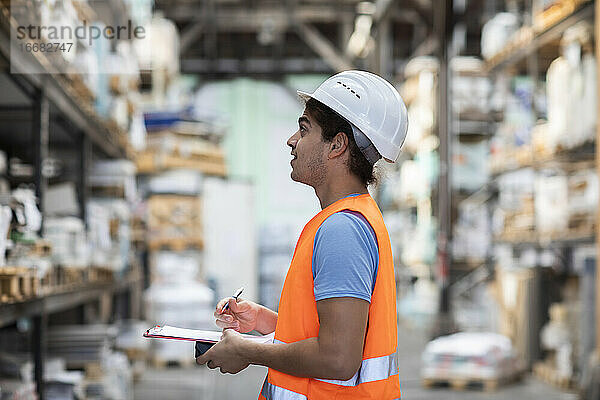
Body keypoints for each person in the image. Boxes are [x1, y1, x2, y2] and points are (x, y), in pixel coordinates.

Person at [196, 70, 408, 400]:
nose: (292, 140)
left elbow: (338, 358)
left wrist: (248, 352)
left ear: (337, 145)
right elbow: (335, 331)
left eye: (304, 129)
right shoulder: (343, 219)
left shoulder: (343, 229)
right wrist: (265, 322)